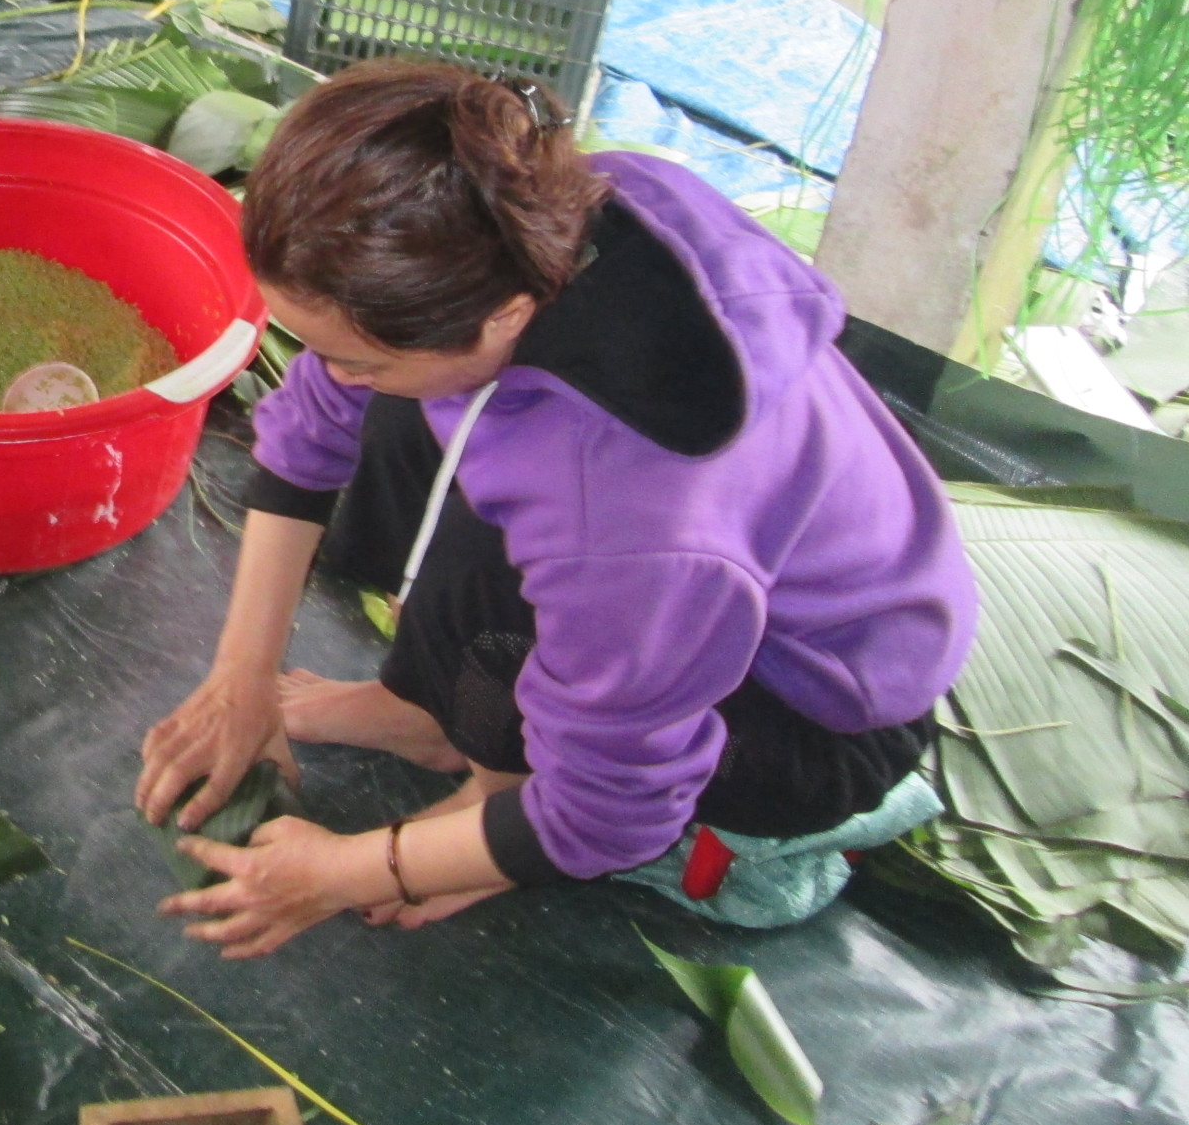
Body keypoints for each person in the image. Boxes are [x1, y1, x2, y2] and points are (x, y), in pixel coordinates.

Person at [136, 61, 976, 955]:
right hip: (679, 575)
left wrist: (357, 867)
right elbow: (317, 421)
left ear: (501, 316)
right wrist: (242, 675)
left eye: (356, 356)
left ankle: (493, 795)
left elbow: (611, 813)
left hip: (802, 716)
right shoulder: (537, 213)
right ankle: (430, 716)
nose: (329, 373)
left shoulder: (627, 526)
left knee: (509, 584)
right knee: (408, 420)